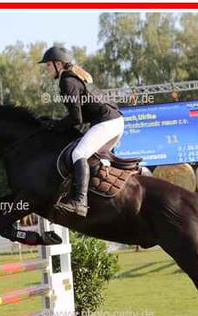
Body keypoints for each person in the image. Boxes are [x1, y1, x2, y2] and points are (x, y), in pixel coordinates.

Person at [39, 45, 125, 217]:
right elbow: (81, 115)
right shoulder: (74, 78)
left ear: (58, 64)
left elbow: (76, 118)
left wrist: (56, 125)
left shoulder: (67, 81)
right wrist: (57, 123)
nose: (47, 69)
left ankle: (80, 202)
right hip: (115, 121)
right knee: (96, 160)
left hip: (107, 122)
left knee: (78, 154)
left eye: (48, 65)